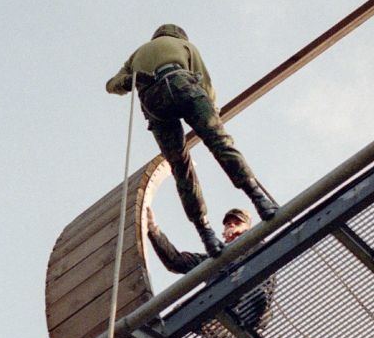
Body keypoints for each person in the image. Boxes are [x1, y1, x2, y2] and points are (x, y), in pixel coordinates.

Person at [108, 24, 278, 256]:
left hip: (153, 101)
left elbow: (112, 85)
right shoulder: (185, 46)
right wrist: (211, 114)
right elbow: (205, 85)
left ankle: (205, 232)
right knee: (219, 143)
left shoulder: (137, 54)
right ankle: (258, 198)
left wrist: (129, 80)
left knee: (180, 167)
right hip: (181, 84)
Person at [146, 205, 272, 338]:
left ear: (248, 229)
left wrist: (242, 238)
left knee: (253, 293)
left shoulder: (257, 246)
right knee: (185, 313)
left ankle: (242, 335)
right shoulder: (213, 262)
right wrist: (153, 229)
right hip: (225, 308)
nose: (231, 225)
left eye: (237, 223)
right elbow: (176, 262)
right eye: (228, 224)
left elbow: (262, 255)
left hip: (254, 303)